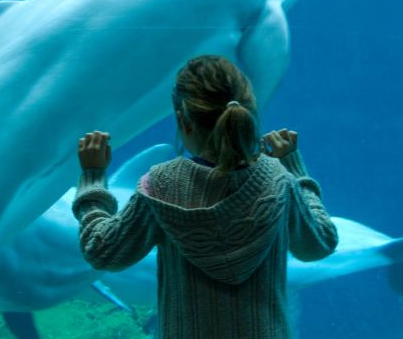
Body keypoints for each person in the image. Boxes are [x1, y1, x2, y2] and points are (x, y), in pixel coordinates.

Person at [72, 55, 338, 338]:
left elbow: (103, 252)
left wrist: (93, 176)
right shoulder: (279, 182)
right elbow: (319, 244)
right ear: (248, 116)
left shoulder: (161, 185)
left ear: (182, 120)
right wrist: (294, 171)